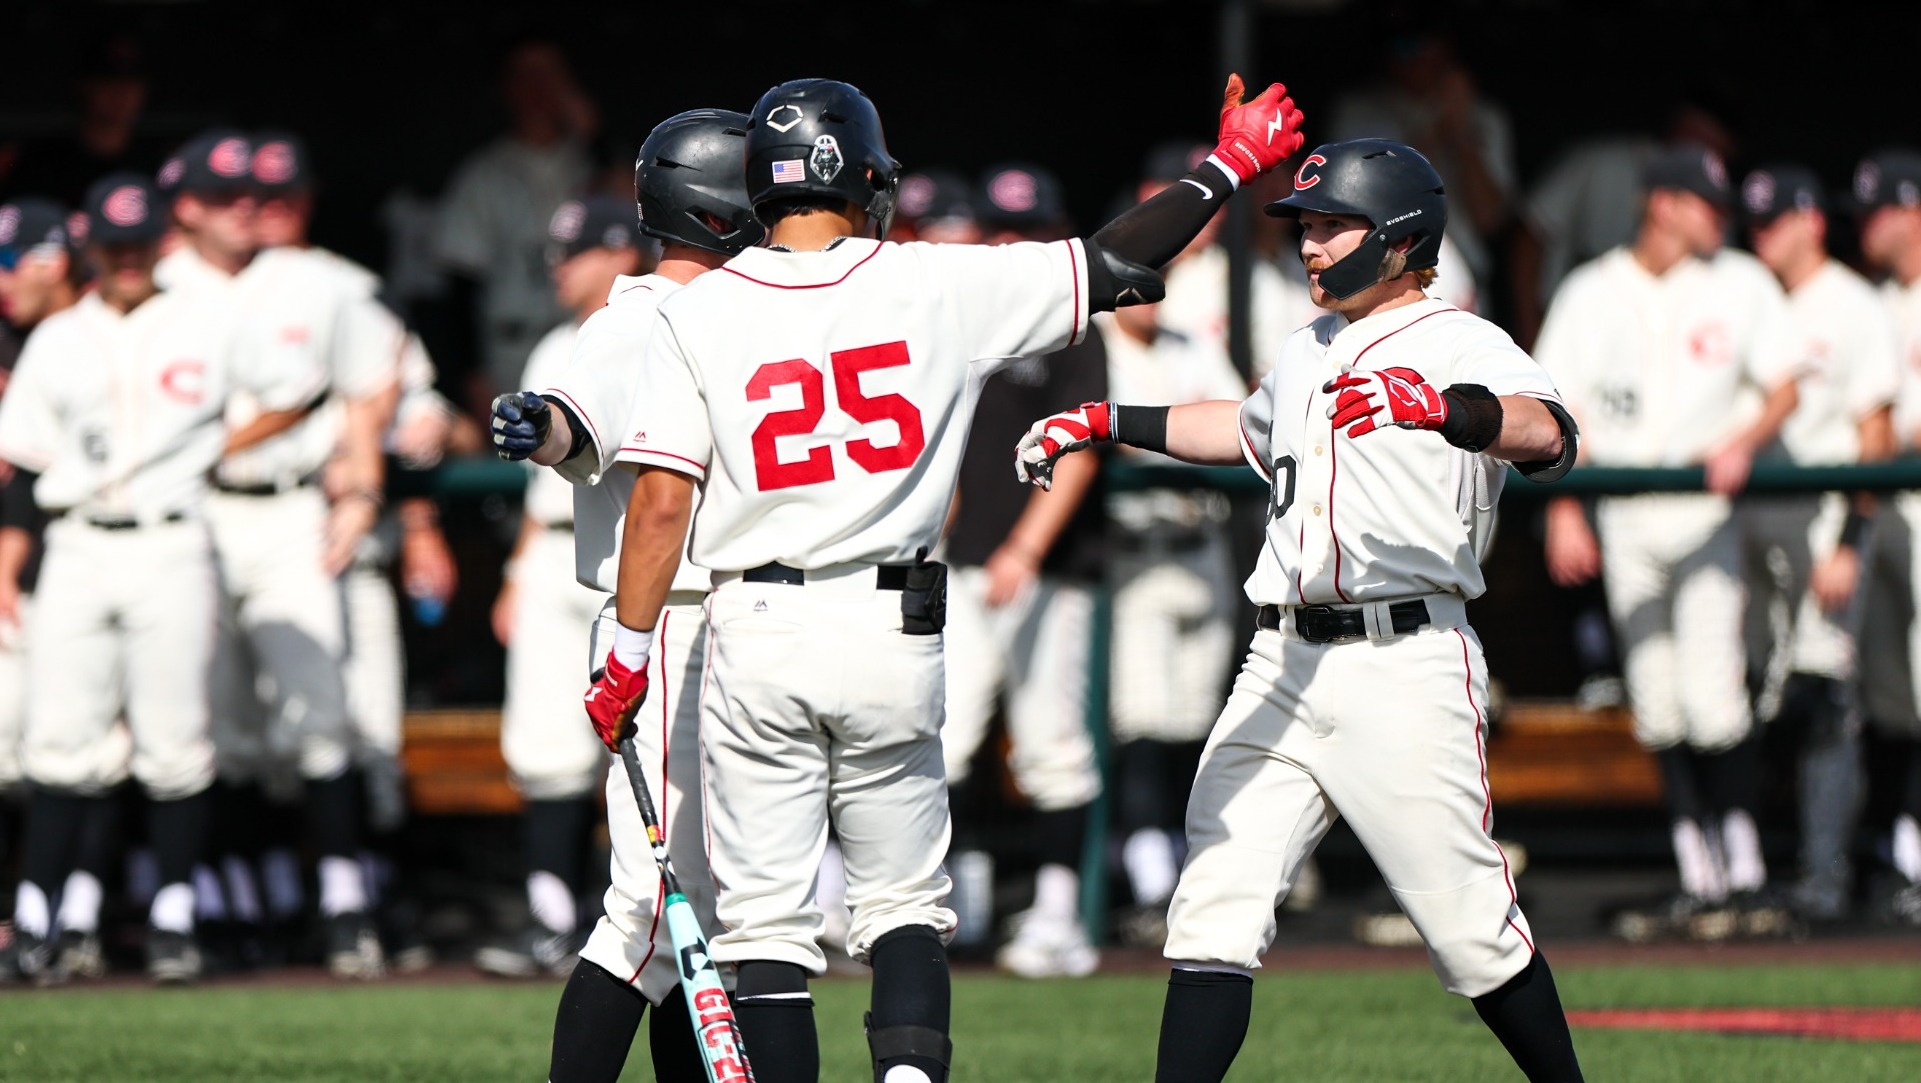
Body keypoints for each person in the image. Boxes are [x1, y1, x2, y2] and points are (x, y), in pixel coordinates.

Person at [585, 74, 1301, 1083]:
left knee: (766, 932)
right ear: (867, 175)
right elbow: (1113, 260)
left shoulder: (696, 313)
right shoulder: (929, 281)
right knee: (905, 908)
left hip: (756, 622)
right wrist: (1229, 165)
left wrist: (623, 654)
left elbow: (660, 504)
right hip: (898, 616)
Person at [1016, 136, 1583, 1083]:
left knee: (1472, 933)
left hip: (1401, 657)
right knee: (1212, 908)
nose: (1311, 244)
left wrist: (1449, 408)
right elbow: (1237, 425)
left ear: (1400, 235)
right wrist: (1109, 421)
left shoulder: (1460, 339)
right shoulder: (1307, 345)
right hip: (1279, 657)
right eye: (1306, 226)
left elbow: (1550, 435)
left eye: (1332, 225)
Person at [487, 109, 763, 1083]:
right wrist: (543, 424)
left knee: (720, 914)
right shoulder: (638, 315)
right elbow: (572, 419)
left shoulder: (759, 310)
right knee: (650, 908)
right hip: (669, 625)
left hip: (753, 625)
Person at [0, 174, 318, 984]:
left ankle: (176, 915)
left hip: (172, 537)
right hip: (77, 536)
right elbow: (22, 447)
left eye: (139, 243)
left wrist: (222, 443)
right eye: (114, 244)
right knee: (59, 741)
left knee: (175, 742)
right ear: (92, 249)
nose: (128, 257)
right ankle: (36, 918)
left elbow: (300, 383)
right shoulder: (61, 335)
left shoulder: (207, 321)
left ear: (156, 244)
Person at [1537, 145, 1801, 940]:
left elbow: (1784, 383)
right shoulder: (1590, 288)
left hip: (1704, 511)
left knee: (1714, 687)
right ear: (1662, 203)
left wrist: (1743, 441)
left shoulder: (1737, 283)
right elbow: (1553, 405)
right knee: (1654, 694)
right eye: (1702, 203)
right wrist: (1562, 511)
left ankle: (1744, 867)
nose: (1715, 220)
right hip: (1621, 504)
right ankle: (1697, 868)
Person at [157, 129, 396, 978]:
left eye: (256, 193)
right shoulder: (155, 284)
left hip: (289, 504)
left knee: (320, 712)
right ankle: (215, 906)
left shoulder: (317, 281)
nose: (248, 207)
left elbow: (377, 376)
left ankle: (342, 904)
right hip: (191, 511)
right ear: (184, 206)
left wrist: (362, 483)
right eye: (226, 195)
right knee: (209, 719)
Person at [936, 161, 1108, 979]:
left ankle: (1055, 912)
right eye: (1001, 231)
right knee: (943, 739)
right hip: (960, 567)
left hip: (1047, 566)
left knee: (1053, 749)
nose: (1012, 245)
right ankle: (939, 902)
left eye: (1029, 231)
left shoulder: (1075, 324)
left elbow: (1078, 452)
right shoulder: (958, 317)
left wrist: (1026, 548)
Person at [479, 195, 645, 978]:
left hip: (636, 553)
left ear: (619, 250)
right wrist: (514, 570)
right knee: (545, 747)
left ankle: (642, 919)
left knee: (644, 752)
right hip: (553, 548)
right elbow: (537, 482)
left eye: (573, 253)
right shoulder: (555, 338)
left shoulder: (658, 325)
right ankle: (551, 916)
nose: (559, 269)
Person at [1737, 163, 1899, 923]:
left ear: (1810, 222)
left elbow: (1874, 433)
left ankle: (1826, 875)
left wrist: (1850, 538)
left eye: (1775, 220)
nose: (1761, 233)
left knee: (1827, 693)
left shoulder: (1851, 303)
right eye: (1755, 222)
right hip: (1756, 536)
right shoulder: (1750, 295)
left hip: (1826, 530)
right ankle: (1783, 867)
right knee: (1765, 695)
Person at [1094, 287, 1247, 948]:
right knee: (1142, 724)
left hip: (1198, 549)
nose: (1147, 294)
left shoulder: (1191, 341)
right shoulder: (1090, 341)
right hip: (1133, 556)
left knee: (1192, 720)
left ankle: (1185, 875)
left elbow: (1244, 422)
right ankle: (1150, 879)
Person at [432, 38, 596, 414]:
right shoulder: (483, 174)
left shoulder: (596, 166)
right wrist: (470, 374)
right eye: (526, 75)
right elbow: (458, 286)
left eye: (548, 74)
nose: (538, 87)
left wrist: (595, 137)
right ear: (505, 88)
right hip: (509, 347)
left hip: (583, 337)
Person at [1853, 147, 1921, 924]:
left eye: (1879, 208)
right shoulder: (1869, 300)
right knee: (1889, 691)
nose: (1866, 224)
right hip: (1887, 508)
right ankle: (1899, 848)